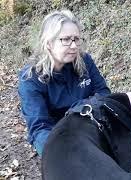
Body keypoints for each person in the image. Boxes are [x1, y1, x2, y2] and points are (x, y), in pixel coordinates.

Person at [18, 9, 111, 156]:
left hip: (91, 127)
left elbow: (104, 94)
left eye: (76, 39)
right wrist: (62, 153)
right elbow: (39, 128)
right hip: (57, 139)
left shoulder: (85, 61)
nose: (74, 46)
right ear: (49, 43)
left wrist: (80, 110)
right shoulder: (30, 79)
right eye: (66, 39)